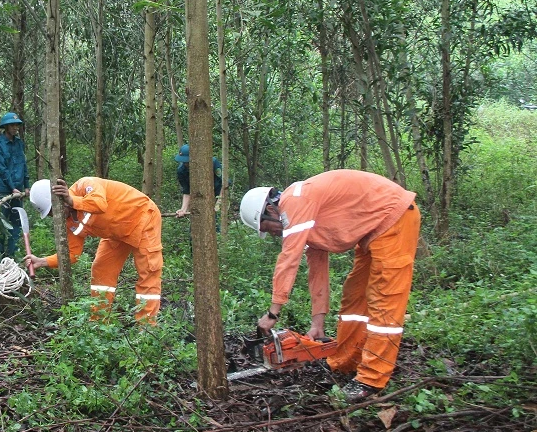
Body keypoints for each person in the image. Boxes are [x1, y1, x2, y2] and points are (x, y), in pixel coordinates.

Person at [239, 169, 420, 402]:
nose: (274, 234)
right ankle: (347, 360)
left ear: (270, 210)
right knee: (355, 296)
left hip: (395, 219)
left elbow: (288, 259)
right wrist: (318, 323)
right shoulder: (306, 216)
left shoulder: (295, 202)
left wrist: (273, 313)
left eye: (267, 228)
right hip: (372, 233)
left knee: (384, 299)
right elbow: (317, 270)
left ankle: (371, 379)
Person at [25, 177, 163, 323]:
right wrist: (43, 261)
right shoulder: (69, 222)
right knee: (101, 270)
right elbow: (72, 254)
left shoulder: (84, 185)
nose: (55, 216)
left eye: (53, 211)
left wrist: (72, 201)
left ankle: (146, 328)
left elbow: (100, 204)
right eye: (50, 215)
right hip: (115, 233)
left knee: (149, 271)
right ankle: (98, 322)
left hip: (143, 218)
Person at [0, 111, 29, 256]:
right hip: (3, 190)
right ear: (5, 127)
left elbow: (23, 164)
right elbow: (1, 169)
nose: (15, 128)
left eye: (17, 125)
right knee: (1, 223)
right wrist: (12, 188)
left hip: (18, 190)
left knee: (16, 223)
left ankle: (12, 254)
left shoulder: (19, 143)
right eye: (12, 125)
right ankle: (0, 255)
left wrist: (25, 185)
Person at [174, 144, 222, 217]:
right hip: (198, 200)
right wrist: (183, 209)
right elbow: (187, 191)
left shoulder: (212, 163)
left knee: (215, 222)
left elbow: (224, 184)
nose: (186, 164)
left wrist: (218, 203)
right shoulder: (181, 171)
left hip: (216, 195)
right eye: (184, 162)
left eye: (187, 161)